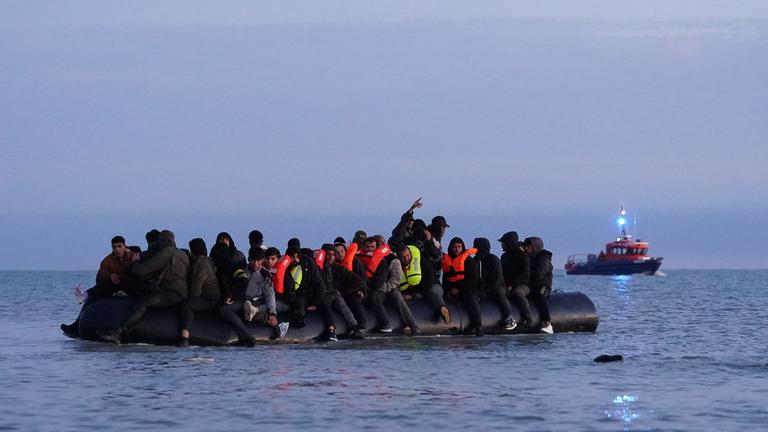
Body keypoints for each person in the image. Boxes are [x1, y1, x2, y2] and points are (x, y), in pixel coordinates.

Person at [99, 230, 189, 344]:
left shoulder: (166, 252)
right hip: (182, 292)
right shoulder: (182, 253)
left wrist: (135, 262)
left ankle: (120, 332)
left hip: (172, 293)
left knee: (143, 303)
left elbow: (141, 271)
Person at [61, 235, 138, 338]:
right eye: (114, 247)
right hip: (114, 286)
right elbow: (99, 279)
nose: (117, 249)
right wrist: (110, 276)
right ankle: (76, 323)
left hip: (131, 285)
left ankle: (87, 294)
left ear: (124, 246)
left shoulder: (133, 256)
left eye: (119, 246)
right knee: (94, 297)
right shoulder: (107, 260)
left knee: (126, 279)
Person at [219, 247, 288, 346]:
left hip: (256, 301)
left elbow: (270, 294)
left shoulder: (265, 275)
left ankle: (249, 334)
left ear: (261, 260)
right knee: (224, 309)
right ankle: (250, 328)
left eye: (258, 261)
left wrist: (272, 312)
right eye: (253, 260)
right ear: (249, 259)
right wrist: (230, 296)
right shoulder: (243, 271)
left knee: (247, 309)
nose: (255, 264)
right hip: (243, 300)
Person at [283, 245, 341, 341]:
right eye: (292, 256)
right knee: (299, 305)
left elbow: (320, 285)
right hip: (299, 297)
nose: (294, 259)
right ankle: (299, 321)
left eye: (296, 256)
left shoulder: (309, 265)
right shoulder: (286, 267)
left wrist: (315, 303)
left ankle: (331, 329)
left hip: (312, 295)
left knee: (324, 306)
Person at [365, 238, 418, 334]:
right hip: (373, 288)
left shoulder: (393, 260)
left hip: (388, 288)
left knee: (397, 297)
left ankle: (412, 324)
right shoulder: (367, 258)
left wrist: (385, 288)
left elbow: (396, 279)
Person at [178, 238, 221, 347]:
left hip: (210, 299)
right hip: (214, 297)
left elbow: (196, 288)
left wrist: (190, 297)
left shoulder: (200, 264)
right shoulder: (208, 261)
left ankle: (184, 337)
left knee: (187, 306)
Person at [396, 242, 451, 324]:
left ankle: (443, 310)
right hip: (414, 292)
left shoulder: (421, 261)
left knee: (433, 293)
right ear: (399, 258)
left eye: (407, 255)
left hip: (432, 286)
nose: (407, 259)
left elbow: (430, 279)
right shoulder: (397, 266)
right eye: (403, 257)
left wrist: (419, 293)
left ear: (410, 253)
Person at [319, 244, 364, 338]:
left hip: (334, 294)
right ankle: (330, 328)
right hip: (322, 295)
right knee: (324, 305)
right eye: (328, 254)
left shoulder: (338, 268)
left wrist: (343, 291)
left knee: (342, 305)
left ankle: (354, 328)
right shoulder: (317, 268)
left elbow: (359, 281)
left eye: (333, 255)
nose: (330, 257)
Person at [473, 237, 517, 330]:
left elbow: (497, 279)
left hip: (497, 286)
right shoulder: (476, 260)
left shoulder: (493, 259)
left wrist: (487, 291)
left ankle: (509, 316)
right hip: (482, 287)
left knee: (499, 294)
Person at [442, 237, 483, 336]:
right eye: (455, 247)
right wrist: (447, 291)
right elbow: (445, 279)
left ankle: (478, 326)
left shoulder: (468, 261)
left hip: (468, 288)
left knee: (471, 300)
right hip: (453, 289)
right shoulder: (447, 261)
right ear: (450, 248)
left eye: (459, 247)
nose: (457, 249)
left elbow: (474, 279)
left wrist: (459, 289)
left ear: (462, 248)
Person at [499, 231, 532, 327]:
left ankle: (528, 317)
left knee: (517, 292)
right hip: (507, 284)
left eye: (503, 243)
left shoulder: (522, 256)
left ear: (509, 243)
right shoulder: (504, 257)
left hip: (523, 285)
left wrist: (512, 285)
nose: (502, 245)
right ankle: (507, 317)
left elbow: (525, 275)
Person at [523, 237, 554, 334]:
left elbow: (538, 275)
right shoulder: (530, 258)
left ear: (535, 247)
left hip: (543, 286)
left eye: (528, 247)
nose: (526, 249)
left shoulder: (543, 259)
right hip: (532, 286)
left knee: (540, 296)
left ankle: (547, 323)